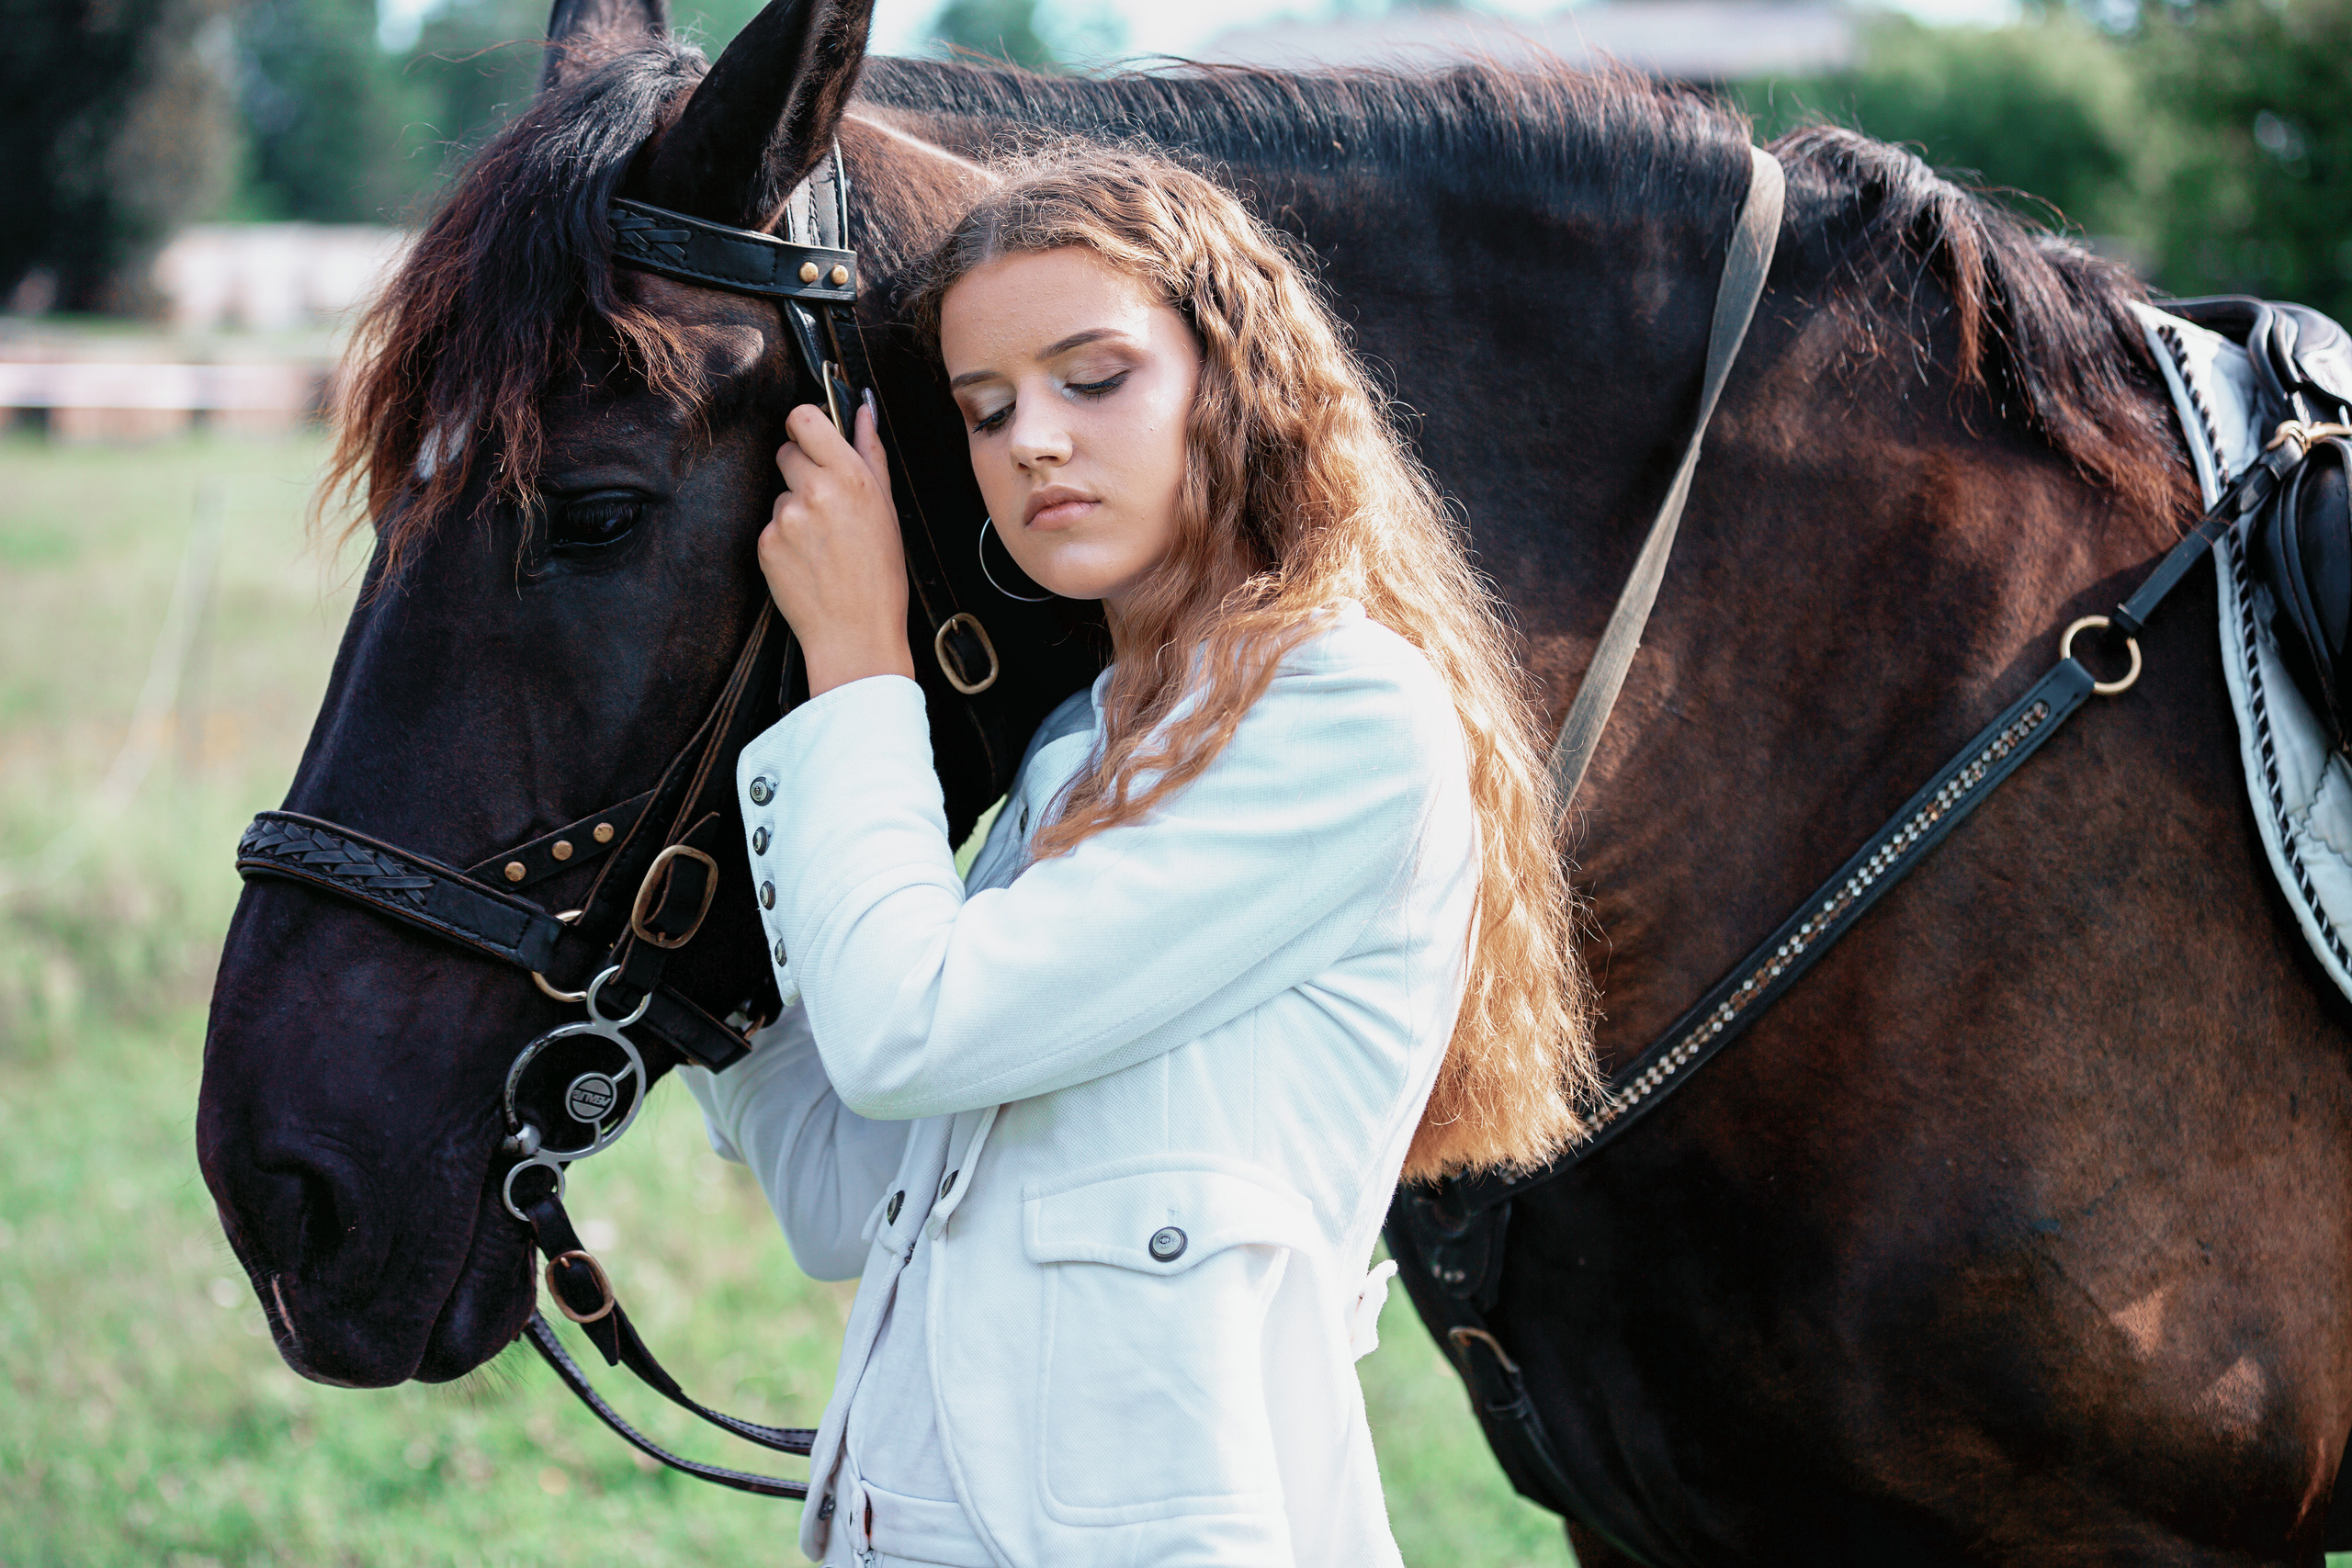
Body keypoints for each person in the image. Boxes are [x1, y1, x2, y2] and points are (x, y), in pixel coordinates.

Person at [677, 146, 1596, 1568]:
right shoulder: (1079, 749)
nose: (1032, 438)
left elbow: (912, 1030)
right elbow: (840, 1191)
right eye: (986, 412)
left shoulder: (1345, 717)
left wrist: (856, 660)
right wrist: (689, 954)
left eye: (1090, 379)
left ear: (1232, 379)